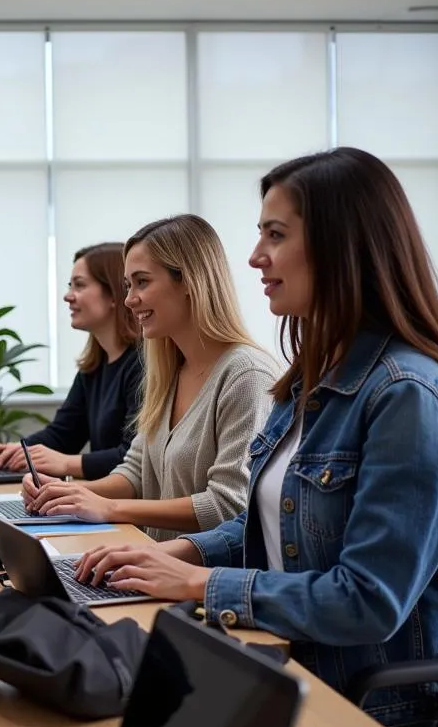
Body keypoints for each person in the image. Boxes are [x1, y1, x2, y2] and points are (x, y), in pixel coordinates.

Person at [75, 149, 438, 727]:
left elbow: (367, 601)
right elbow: (267, 519)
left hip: (365, 708)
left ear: (339, 245)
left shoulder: (404, 394)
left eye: (276, 234)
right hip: (273, 663)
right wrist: (175, 558)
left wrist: (200, 583)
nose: (254, 257)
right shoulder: (310, 379)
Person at [23, 215, 277, 541]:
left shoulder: (246, 376)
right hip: (151, 565)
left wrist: (108, 508)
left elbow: (227, 505)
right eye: (128, 285)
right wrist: (66, 495)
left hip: (201, 582)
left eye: (142, 282)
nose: (129, 300)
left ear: (189, 281)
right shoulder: (169, 370)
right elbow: (135, 472)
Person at [0, 242, 141, 479]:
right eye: (70, 286)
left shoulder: (143, 365)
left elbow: (135, 461)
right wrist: (17, 450)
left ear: (114, 295)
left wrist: (67, 464)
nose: (68, 296)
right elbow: (63, 435)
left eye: (79, 285)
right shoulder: (94, 367)